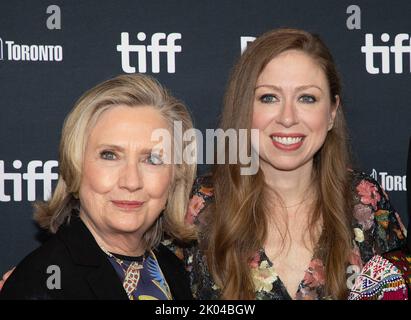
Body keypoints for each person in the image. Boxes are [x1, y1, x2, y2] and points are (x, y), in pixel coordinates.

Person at [182, 28, 408, 300]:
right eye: (269, 97)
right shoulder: (201, 206)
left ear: (332, 112)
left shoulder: (365, 200)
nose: (287, 118)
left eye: (306, 98)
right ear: (244, 108)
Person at [0, 74, 196, 300]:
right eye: (109, 155)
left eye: (152, 159)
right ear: (76, 166)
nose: (131, 181)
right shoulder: (43, 283)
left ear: (174, 176)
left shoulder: (170, 268)